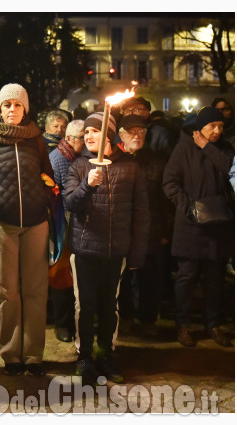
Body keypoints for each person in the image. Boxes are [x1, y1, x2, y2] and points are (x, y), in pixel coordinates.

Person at [64, 112, 149, 386]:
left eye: (95, 132)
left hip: (115, 251)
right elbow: (70, 203)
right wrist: (88, 186)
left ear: (108, 136)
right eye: (86, 133)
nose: (89, 137)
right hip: (85, 249)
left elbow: (140, 212)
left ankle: (106, 354)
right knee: (85, 306)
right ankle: (85, 356)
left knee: (108, 305)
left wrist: (135, 252)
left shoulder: (131, 167)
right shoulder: (78, 166)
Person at [0, 83, 54, 377]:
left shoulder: (36, 138)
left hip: (35, 222)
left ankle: (33, 354)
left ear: (25, 108)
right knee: (8, 292)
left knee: (35, 290)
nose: (12, 110)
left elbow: (47, 174)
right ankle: (11, 354)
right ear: (0, 110)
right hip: (3, 223)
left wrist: (45, 194)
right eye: (7, 105)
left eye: (17, 105)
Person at [162, 106, 234, 348]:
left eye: (220, 126)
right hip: (190, 225)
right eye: (211, 126)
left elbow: (229, 170)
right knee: (186, 278)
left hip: (218, 225)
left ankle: (212, 323)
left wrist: (207, 147)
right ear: (199, 128)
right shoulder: (183, 149)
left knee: (215, 279)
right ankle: (183, 325)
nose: (216, 130)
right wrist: (188, 208)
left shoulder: (224, 149)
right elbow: (170, 183)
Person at [116, 114, 171, 338]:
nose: (137, 136)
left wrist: (166, 230)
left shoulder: (156, 162)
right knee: (124, 278)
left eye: (141, 132)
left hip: (150, 229)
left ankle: (148, 319)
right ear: (121, 135)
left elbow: (165, 201)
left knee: (150, 277)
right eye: (132, 132)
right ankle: (126, 316)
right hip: (122, 229)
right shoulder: (114, 159)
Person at [47, 119, 84, 343]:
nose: (86, 142)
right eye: (81, 138)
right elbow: (55, 196)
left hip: (75, 224)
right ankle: (62, 323)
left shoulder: (78, 157)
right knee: (61, 276)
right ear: (69, 139)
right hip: (61, 226)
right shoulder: (57, 159)